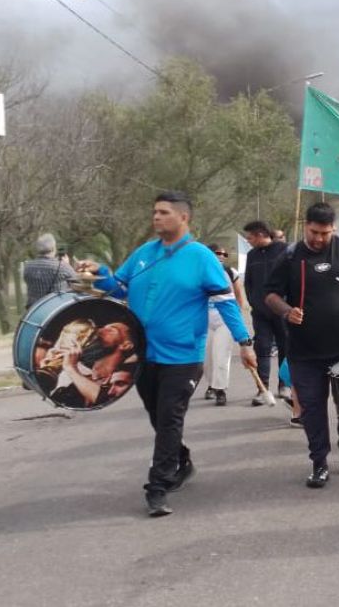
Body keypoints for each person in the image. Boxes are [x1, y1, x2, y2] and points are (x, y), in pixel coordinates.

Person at [81, 191, 256, 517]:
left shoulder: (201, 257)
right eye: (154, 212)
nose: (156, 217)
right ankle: (182, 460)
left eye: (163, 212)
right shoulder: (144, 253)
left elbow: (226, 302)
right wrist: (101, 273)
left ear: (183, 218)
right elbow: (119, 287)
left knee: (170, 418)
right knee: (159, 418)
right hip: (145, 356)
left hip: (183, 357)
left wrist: (245, 342)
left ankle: (157, 487)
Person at [264, 202, 339, 488]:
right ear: (305, 225)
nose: (319, 238)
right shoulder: (290, 255)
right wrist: (286, 310)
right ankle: (319, 462)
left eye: (325, 232)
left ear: (333, 229)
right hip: (305, 352)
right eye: (314, 232)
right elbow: (270, 294)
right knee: (311, 409)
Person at [243, 221, 293, 411]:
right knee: (262, 347)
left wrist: (288, 304)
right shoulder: (252, 255)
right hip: (261, 312)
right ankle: (262, 389)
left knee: (285, 347)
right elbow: (248, 283)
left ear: (261, 234)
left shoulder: (285, 250)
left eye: (250, 237)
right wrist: (254, 301)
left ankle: (284, 385)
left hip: (283, 309)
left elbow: (292, 277)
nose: (248, 241)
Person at [202, 244, 248, 406]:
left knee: (221, 355)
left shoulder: (230, 272)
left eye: (224, 253)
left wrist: (239, 319)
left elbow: (239, 295)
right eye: (217, 253)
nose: (221, 255)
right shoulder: (200, 273)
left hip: (225, 321)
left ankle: (220, 390)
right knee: (207, 359)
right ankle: (211, 385)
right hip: (205, 321)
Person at [23, 233, 75, 309]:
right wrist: (67, 265)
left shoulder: (28, 267)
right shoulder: (62, 267)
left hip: (34, 310)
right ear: (53, 248)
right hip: (55, 310)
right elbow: (78, 282)